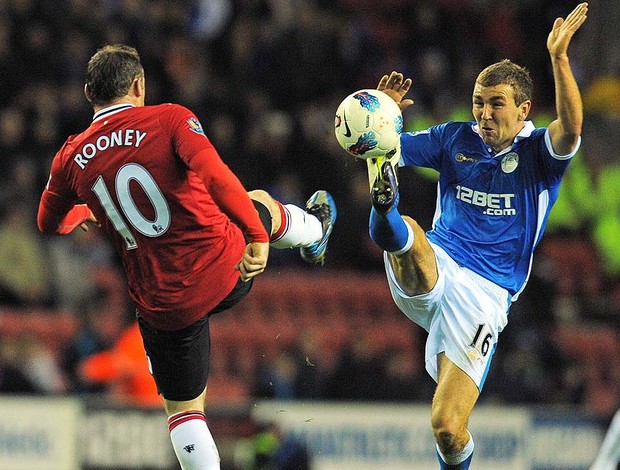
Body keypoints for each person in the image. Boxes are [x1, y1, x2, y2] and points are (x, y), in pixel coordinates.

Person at [37, 44, 336, 470]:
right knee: (256, 202)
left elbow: (48, 223)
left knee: (184, 411)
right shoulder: (170, 119)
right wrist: (257, 237)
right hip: (224, 266)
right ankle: (316, 231)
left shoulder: (70, 157)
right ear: (139, 85)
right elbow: (217, 178)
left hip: (164, 304)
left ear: (89, 93)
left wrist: (83, 211)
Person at [364, 3, 588, 469]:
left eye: (496, 104)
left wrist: (560, 59)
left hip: (486, 295)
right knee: (407, 231)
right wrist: (379, 116)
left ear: (523, 109)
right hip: (439, 263)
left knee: (447, 428)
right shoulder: (454, 138)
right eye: (478, 103)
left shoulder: (539, 155)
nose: (484, 114)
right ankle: (384, 210)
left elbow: (571, 129)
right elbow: (385, 145)